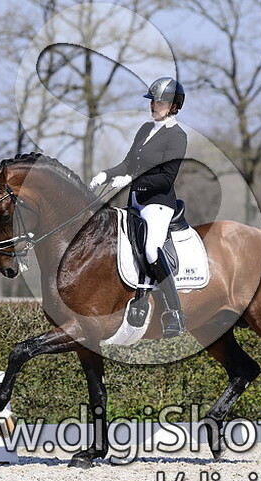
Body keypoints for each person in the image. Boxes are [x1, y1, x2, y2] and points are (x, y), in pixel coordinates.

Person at [89, 76, 187, 337]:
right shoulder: (145, 129)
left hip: (158, 203)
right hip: (134, 202)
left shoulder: (177, 136)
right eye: (152, 101)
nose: (153, 105)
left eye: (159, 102)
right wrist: (107, 174)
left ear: (173, 106)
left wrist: (132, 180)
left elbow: (166, 177)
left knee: (152, 249)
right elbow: (128, 163)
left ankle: (174, 313)